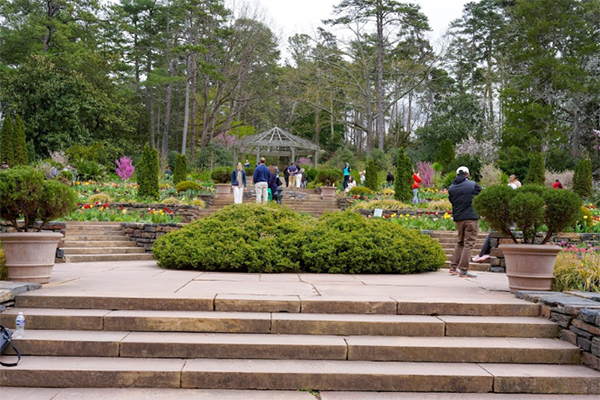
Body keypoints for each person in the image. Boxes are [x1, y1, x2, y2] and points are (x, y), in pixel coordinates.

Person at [448, 166, 482, 278]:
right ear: (467, 174)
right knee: (469, 243)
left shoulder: (451, 188)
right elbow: (481, 196)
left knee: (460, 242)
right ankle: (463, 270)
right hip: (471, 218)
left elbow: (452, 201)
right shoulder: (473, 185)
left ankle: (453, 267)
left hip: (459, 219)